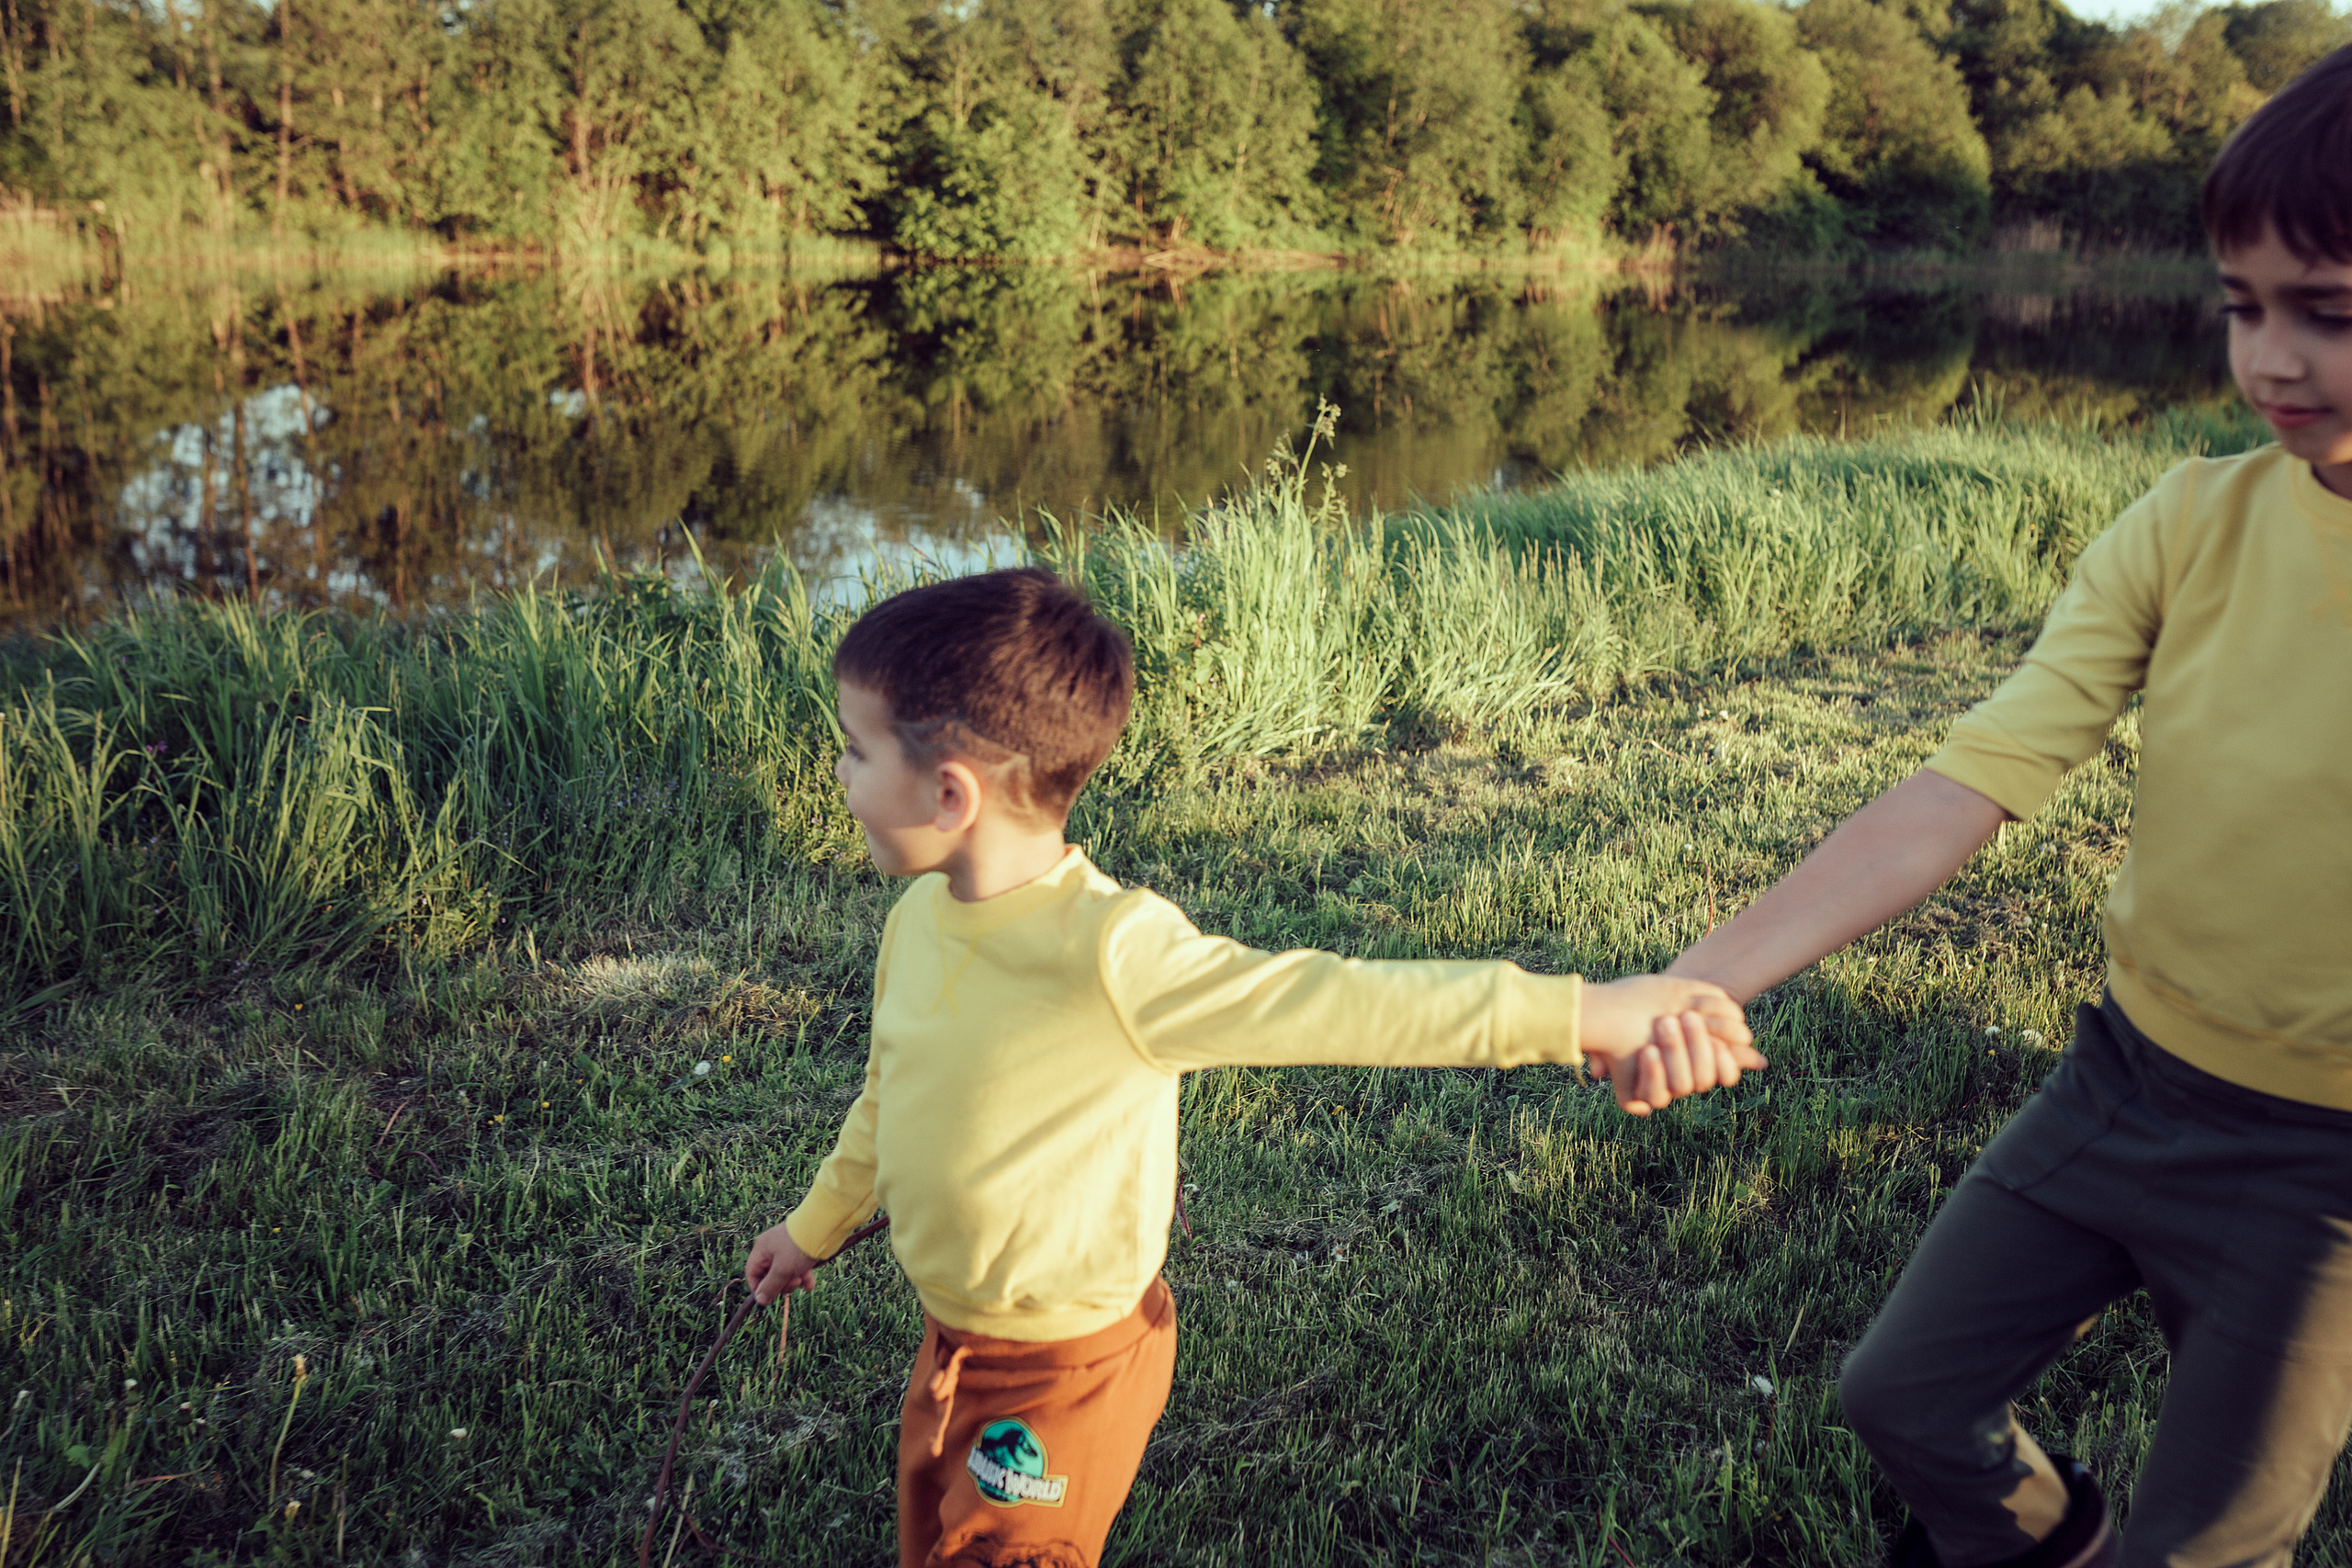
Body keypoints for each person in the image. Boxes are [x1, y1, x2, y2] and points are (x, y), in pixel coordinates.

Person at [1663, 44, 2352, 1568]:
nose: (2272, 361)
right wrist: (1705, 972)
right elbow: (1962, 784)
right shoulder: (2189, 522)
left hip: (2329, 1180)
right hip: (2126, 1081)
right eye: (2246, 306)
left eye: (2330, 315)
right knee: (1901, 1392)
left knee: (2213, 1543)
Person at [741, 566, 1761, 1568]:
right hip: (954, 1343)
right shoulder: (920, 920)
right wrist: (811, 1228)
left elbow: (1344, 1002)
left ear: (951, 792)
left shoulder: (1116, 955)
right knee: (932, 1538)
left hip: (1066, 1367)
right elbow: (891, 1093)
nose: (839, 774)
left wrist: (1584, 1011)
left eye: (853, 750)